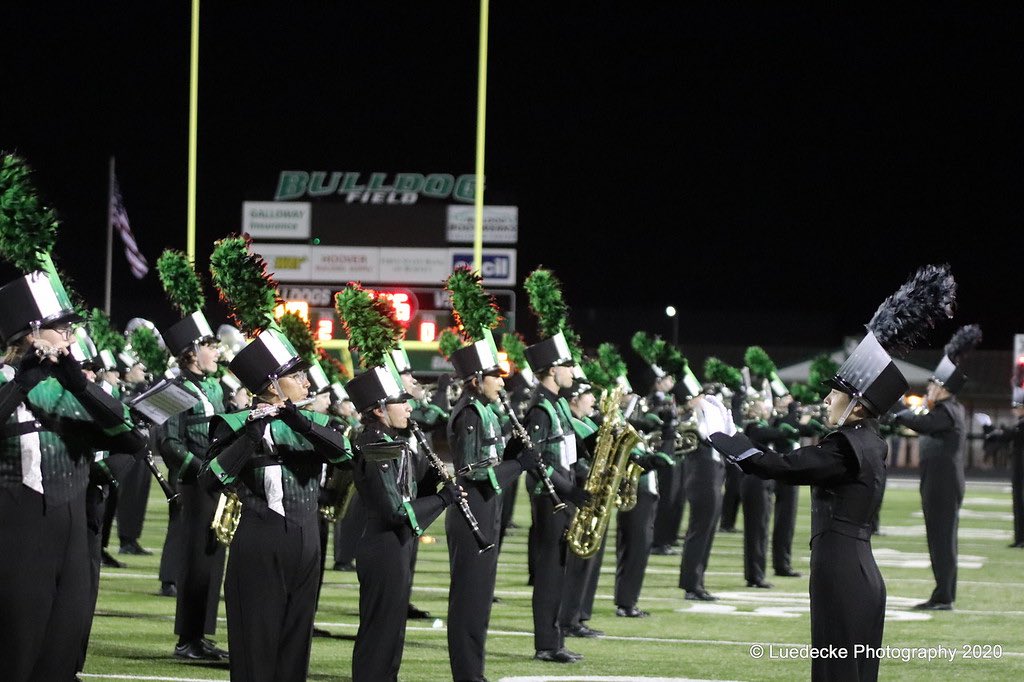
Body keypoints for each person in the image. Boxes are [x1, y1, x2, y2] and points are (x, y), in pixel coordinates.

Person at [709, 263, 955, 682]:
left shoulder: (845, 446)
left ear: (858, 405)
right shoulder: (869, 440)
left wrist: (724, 437)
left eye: (836, 393)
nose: (826, 400)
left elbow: (781, 467)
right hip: (857, 572)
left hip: (841, 575)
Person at [0, 262, 144, 681]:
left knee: (61, 651)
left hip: (74, 536)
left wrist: (80, 386)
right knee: (15, 652)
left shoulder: (70, 389)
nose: (71, 337)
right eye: (62, 329)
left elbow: (133, 440)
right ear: (32, 333)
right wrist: (22, 383)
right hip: (15, 533)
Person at [200, 328, 352, 682]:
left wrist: (302, 423)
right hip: (259, 540)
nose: (307, 383)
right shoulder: (234, 425)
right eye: (296, 376)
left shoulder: (317, 422)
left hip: (308, 540)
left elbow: (348, 458)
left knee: (295, 650)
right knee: (255, 647)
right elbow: (209, 481)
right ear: (272, 385)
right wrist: (250, 436)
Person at [347, 364, 463, 682]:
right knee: (379, 634)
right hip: (382, 545)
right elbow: (395, 511)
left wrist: (434, 485)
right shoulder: (375, 445)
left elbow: (408, 494)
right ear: (379, 410)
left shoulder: (391, 441)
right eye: (401, 401)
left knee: (393, 633)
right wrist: (443, 499)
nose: (409, 407)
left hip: (396, 544)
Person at [154, 249, 228, 661]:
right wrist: (204, 471)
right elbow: (168, 443)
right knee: (195, 563)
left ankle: (201, 634)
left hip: (215, 483)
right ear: (191, 352)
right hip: (195, 484)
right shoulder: (173, 388)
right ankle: (186, 640)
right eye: (211, 346)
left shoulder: (213, 387)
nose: (217, 352)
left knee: (212, 561)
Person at [446, 332, 533, 682]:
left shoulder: (485, 410)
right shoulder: (470, 413)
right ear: (476, 380)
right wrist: (518, 465)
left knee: (481, 598)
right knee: (469, 599)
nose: (502, 383)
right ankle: (467, 674)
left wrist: (512, 451)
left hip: (485, 507)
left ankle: (474, 672)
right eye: (496, 376)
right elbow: (475, 472)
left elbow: (490, 459)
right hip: (471, 509)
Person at [893, 324, 980, 610]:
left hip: (943, 485)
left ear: (943, 390)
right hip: (938, 482)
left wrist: (896, 410)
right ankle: (943, 593)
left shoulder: (947, 411)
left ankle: (944, 596)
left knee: (941, 540)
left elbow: (921, 423)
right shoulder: (945, 409)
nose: (928, 389)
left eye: (933, 385)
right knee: (939, 538)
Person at [522, 330, 590, 663]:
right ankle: (546, 645)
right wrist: (570, 490)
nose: (572, 372)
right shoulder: (539, 408)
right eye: (567, 366)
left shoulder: (557, 403)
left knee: (559, 570)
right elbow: (537, 463)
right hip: (549, 499)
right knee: (549, 572)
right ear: (552, 370)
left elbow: (568, 452)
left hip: (562, 496)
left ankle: (556, 640)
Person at [985, 368, 1024, 548]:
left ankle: (1021, 538)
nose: (1015, 410)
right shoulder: (1019, 424)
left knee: (1021, 503)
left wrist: (993, 430)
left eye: (1018, 406)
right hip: (1018, 469)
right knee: (1018, 503)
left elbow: (1010, 435)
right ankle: (1019, 538)